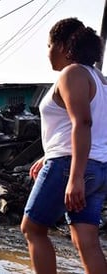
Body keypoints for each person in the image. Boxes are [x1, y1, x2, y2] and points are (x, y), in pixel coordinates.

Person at [20, 17, 107, 274]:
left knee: (33, 230)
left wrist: (75, 177)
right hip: (98, 167)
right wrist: (48, 155)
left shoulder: (72, 73)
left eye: (48, 45)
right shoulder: (100, 80)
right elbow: (77, 127)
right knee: (86, 240)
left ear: (62, 45)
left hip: (71, 166)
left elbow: (83, 122)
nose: (48, 53)